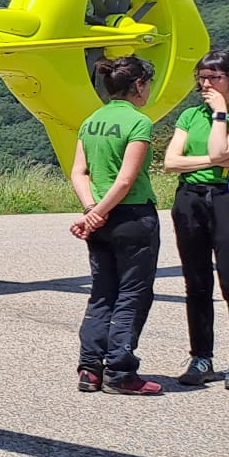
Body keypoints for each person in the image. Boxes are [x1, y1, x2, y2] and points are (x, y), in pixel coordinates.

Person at [163, 49, 229, 390]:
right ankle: (201, 357)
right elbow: (171, 162)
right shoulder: (190, 115)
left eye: (214, 77)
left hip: (227, 198)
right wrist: (215, 160)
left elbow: (224, 152)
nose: (206, 84)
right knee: (196, 282)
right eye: (202, 77)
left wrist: (221, 115)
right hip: (189, 199)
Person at [69, 56, 164, 396]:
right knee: (132, 294)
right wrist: (101, 211)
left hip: (100, 221)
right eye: (147, 84)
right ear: (138, 85)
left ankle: (89, 368)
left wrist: (92, 211)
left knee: (102, 292)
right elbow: (126, 180)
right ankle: (121, 371)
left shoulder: (90, 121)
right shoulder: (139, 123)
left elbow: (78, 172)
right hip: (133, 216)